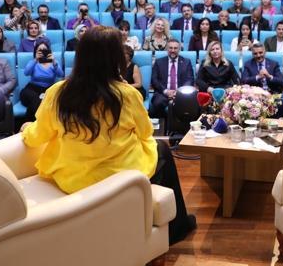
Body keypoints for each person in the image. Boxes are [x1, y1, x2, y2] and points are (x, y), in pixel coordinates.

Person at [20, 26, 196, 245]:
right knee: (162, 151)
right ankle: (177, 227)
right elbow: (146, 132)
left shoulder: (58, 92)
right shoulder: (127, 94)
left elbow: (37, 135)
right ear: (115, 58)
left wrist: (27, 128)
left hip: (72, 179)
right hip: (117, 179)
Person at [149, 38, 195, 118]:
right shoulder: (159, 62)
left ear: (179, 49)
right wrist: (166, 91)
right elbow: (154, 80)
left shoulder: (186, 62)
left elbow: (190, 79)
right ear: (167, 49)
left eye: (175, 48)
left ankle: (180, 129)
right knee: (157, 103)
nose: (173, 50)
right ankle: (163, 128)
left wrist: (179, 92)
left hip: (181, 94)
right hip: (163, 93)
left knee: (188, 105)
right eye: (170, 48)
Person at [20, 41, 64, 120]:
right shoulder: (33, 62)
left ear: (49, 51)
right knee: (36, 99)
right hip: (32, 88)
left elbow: (61, 74)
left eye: (44, 50)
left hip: (48, 89)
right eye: (39, 50)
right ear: (36, 52)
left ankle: (30, 125)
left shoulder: (54, 63)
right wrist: (35, 60)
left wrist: (54, 61)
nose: (42, 52)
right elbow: (26, 73)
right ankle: (33, 126)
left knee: (41, 100)